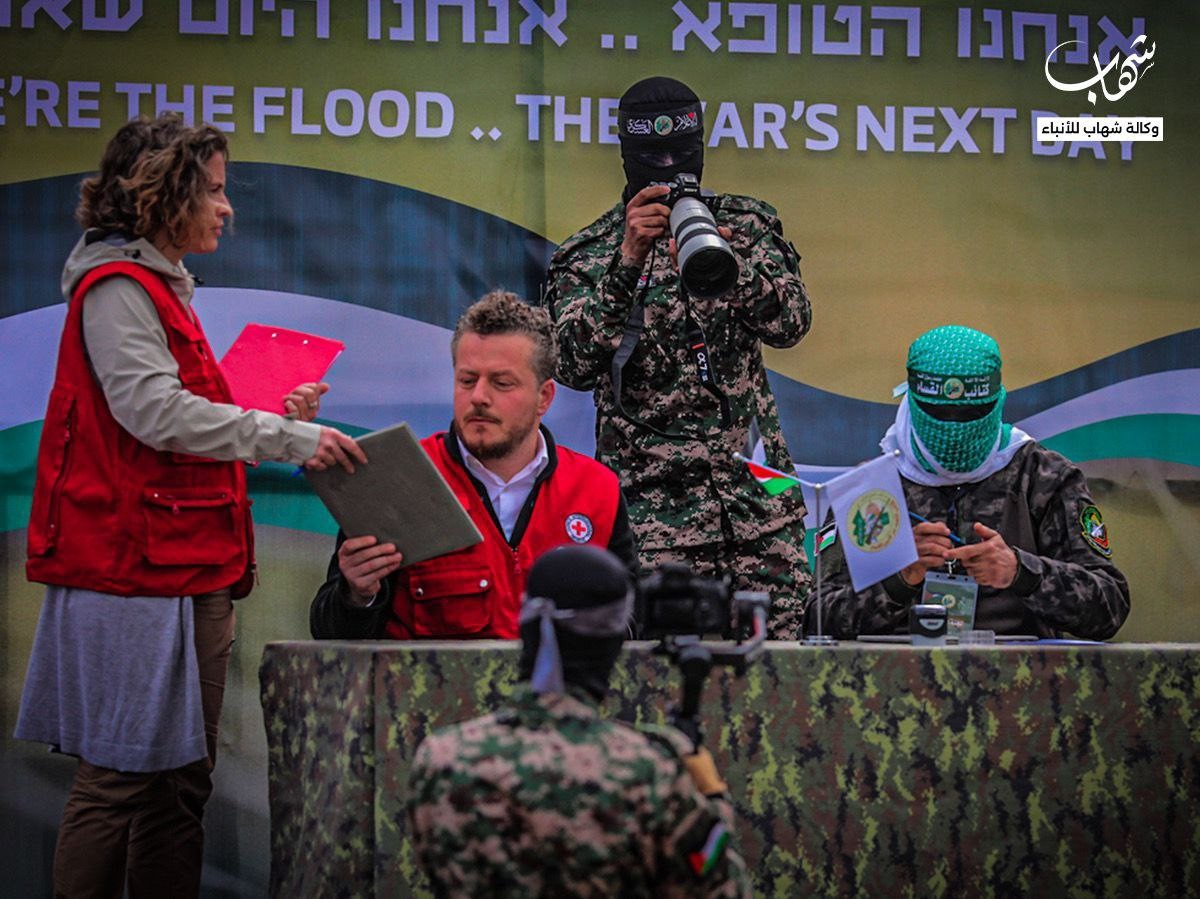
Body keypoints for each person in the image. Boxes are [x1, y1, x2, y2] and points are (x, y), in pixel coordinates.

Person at [14, 114, 363, 898]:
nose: (227, 207)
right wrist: (289, 436)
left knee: (180, 782)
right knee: (119, 779)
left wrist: (270, 413)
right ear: (163, 194)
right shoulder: (117, 288)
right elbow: (154, 414)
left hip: (187, 565)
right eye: (212, 189)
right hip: (135, 570)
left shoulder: (158, 284)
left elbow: (168, 419)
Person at [543, 75, 812, 639]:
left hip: (760, 507)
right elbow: (570, 366)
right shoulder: (588, 254)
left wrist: (730, 262)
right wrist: (627, 263)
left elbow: (791, 324)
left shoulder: (748, 226)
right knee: (663, 676)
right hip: (653, 519)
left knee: (782, 674)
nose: (668, 169)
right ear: (628, 156)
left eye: (680, 154)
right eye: (653, 157)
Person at [407, 544, 752, 897]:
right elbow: (722, 890)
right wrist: (710, 794)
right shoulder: (646, 772)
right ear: (613, 642)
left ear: (526, 625)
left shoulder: (441, 760)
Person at [310, 290, 638, 640]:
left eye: (502, 383)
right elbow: (329, 635)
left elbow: (634, 628)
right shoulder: (397, 478)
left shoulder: (597, 490)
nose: (479, 397)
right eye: (467, 380)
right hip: (429, 679)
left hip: (560, 679)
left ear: (544, 397)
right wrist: (356, 595)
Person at [806, 325, 1131, 640]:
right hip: (896, 671)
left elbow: (1109, 608)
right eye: (940, 414)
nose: (954, 430)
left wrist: (1022, 572)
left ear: (997, 402)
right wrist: (900, 579)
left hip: (1019, 671)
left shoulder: (1042, 477)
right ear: (911, 400)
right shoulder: (870, 489)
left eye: (968, 415)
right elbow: (815, 619)